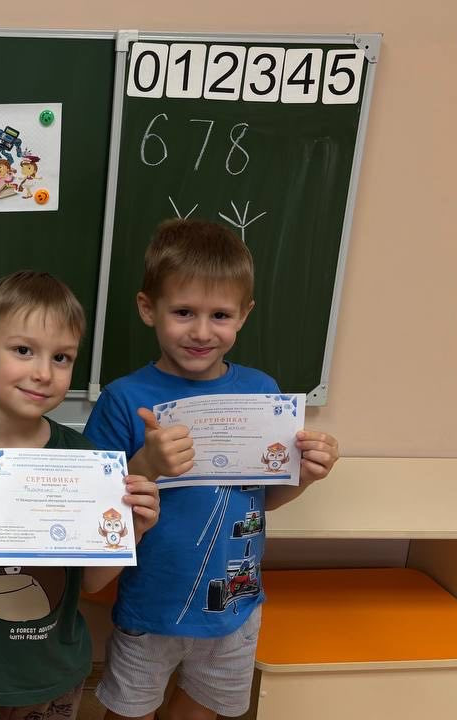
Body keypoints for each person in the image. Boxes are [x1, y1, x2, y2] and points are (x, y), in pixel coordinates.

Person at [84, 219, 341, 720]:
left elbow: (264, 499)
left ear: (244, 315)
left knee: (203, 710)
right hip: (151, 606)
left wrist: (306, 475)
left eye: (220, 315)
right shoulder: (123, 399)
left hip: (234, 608)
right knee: (128, 712)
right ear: (148, 309)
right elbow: (94, 516)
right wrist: (147, 465)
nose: (202, 332)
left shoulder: (262, 392)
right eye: (183, 312)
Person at [0, 271, 160, 720]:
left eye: (61, 357)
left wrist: (131, 532)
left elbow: (92, 583)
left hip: (53, 676)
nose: (43, 373)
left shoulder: (83, 458)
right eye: (23, 350)